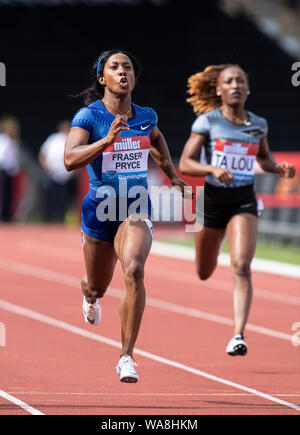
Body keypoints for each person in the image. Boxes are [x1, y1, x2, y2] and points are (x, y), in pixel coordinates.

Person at [64, 49, 189, 382]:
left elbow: (156, 139)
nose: (123, 72)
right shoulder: (88, 117)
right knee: (97, 286)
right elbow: (69, 159)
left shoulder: (146, 115)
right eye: (114, 67)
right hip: (100, 210)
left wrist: (172, 174)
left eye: (128, 67)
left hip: (135, 207)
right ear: (102, 77)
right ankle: (88, 294)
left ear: (134, 77)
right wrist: (107, 140)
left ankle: (126, 357)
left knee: (134, 269)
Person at [179, 64, 296, 356]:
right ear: (219, 89)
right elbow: (185, 163)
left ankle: (238, 334)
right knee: (204, 271)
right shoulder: (208, 122)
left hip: (243, 199)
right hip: (212, 201)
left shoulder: (258, 124)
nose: (235, 85)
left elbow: (265, 158)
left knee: (242, 266)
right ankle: (212, 246)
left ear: (248, 88)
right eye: (229, 81)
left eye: (240, 81)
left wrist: (278, 168)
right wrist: (212, 169)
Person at [39, 120, 77, 222]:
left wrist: (73, 171)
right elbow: (42, 154)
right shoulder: (53, 139)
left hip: (66, 176)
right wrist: (46, 167)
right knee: (50, 198)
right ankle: (48, 219)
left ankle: (60, 220)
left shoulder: (73, 140)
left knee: (64, 200)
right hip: (52, 174)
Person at [0, 115, 20, 221]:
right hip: (3, 170)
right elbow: (2, 156)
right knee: (4, 194)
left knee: (10, 195)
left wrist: (15, 168)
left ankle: (8, 214)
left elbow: (14, 157)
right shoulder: (3, 140)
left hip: (10, 171)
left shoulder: (13, 141)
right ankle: (3, 215)